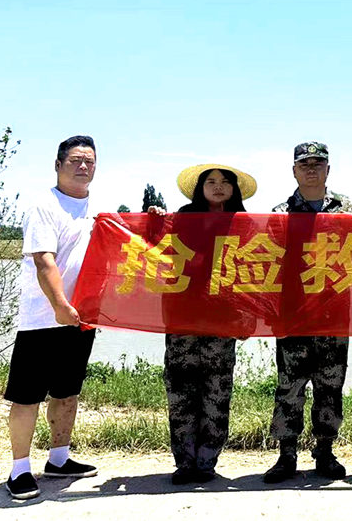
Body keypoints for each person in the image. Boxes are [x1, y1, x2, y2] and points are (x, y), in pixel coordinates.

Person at [3, 135, 99, 501]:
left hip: (82, 317)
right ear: (58, 165)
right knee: (27, 397)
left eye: (89, 161)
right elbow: (44, 261)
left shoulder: (97, 208)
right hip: (43, 319)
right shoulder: (44, 205)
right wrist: (59, 304)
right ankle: (19, 469)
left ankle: (59, 458)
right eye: (75, 160)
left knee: (67, 392)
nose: (83, 166)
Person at [264, 141, 352, 483]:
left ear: (328, 170)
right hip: (293, 314)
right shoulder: (279, 213)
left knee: (330, 386)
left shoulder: (348, 209)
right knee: (289, 387)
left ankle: (325, 452)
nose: (312, 170)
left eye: (318, 164)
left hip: (333, 314)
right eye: (305, 164)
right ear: (294, 171)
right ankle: (286, 455)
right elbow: (268, 263)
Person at [158, 163, 257, 485]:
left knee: (217, 393)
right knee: (181, 394)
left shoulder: (244, 225)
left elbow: (253, 274)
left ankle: (206, 462)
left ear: (234, 189)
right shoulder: (182, 219)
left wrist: (248, 315)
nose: (218, 186)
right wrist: (153, 221)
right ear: (200, 188)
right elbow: (152, 250)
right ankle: (184, 463)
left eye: (225, 182)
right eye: (211, 181)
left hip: (222, 323)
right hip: (182, 320)